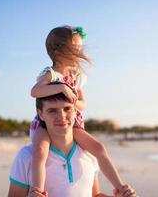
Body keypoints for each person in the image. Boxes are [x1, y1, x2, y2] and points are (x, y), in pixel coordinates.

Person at [29, 26, 129, 195]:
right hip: (46, 123)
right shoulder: (51, 74)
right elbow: (35, 92)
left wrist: (73, 103)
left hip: (72, 123)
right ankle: (36, 191)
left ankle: (121, 188)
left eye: (80, 49)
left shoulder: (76, 76)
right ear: (58, 51)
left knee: (99, 149)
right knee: (40, 151)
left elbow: (82, 103)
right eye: (75, 49)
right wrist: (62, 87)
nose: (80, 54)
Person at [8, 89, 137, 197]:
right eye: (52, 111)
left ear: (76, 111)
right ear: (40, 114)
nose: (62, 116)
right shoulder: (27, 157)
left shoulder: (90, 153)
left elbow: (95, 194)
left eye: (67, 108)